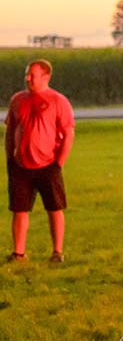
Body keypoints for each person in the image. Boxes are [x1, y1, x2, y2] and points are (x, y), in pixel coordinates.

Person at [5, 60, 74, 263]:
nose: (27, 78)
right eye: (26, 74)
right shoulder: (18, 100)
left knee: (54, 208)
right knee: (19, 209)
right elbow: (10, 131)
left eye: (32, 75)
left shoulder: (58, 101)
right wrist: (10, 157)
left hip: (48, 165)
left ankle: (57, 252)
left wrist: (58, 162)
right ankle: (18, 253)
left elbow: (68, 133)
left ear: (46, 77)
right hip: (21, 165)